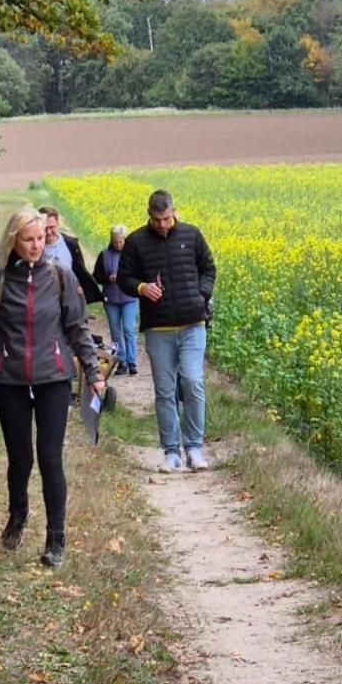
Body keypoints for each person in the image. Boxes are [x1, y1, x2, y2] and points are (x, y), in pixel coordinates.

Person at [0, 206, 104, 567]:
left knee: (50, 457)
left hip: (53, 379)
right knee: (20, 458)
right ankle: (18, 514)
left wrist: (93, 372)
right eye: (28, 239)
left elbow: (77, 328)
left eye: (40, 238)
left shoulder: (60, 277)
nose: (35, 245)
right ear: (14, 241)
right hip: (9, 380)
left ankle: (56, 537)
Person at [117, 189, 216, 472]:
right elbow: (124, 278)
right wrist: (141, 288)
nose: (162, 224)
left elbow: (209, 269)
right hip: (158, 327)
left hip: (193, 323)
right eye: (156, 219)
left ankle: (194, 447)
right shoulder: (136, 241)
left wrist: (201, 294)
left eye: (166, 218)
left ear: (173, 212)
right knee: (165, 390)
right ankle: (171, 452)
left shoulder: (192, 235)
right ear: (149, 215)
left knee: (193, 382)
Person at [93, 224, 138, 376]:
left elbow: (139, 274)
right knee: (115, 332)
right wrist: (108, 278)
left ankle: (132, 362)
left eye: (121, 241)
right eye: (115, 242)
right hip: (111, 299)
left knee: (128, 329)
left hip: (129, 298)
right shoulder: (104, 255)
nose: (118, 245)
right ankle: (121, 362)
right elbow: (96, 276)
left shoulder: (132, 255)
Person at [37, 206, 102, 304]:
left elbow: (79, 269)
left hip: (70, 296)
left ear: (58, 224)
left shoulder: (71, 244)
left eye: (52, 227)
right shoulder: (35, 247)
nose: (48, 232)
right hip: (45, 298)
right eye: (45, 228)